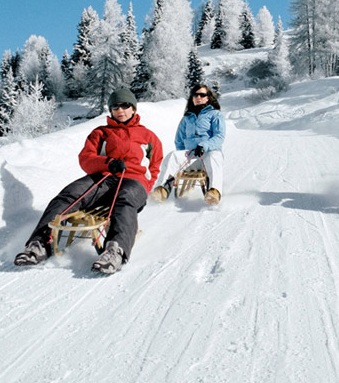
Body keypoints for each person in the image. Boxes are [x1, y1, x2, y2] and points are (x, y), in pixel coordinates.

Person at [14, 88, 163, 274]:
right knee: (69, 194)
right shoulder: (101, 133)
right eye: (116, 106)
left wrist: (146, 185)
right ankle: (39, 244)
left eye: (125, 105)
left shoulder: (148, 136)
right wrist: (107, 163)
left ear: (133, 108)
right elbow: (86, 158)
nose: (120, 110)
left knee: (125, 200)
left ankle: (115, 251)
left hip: (133, 180)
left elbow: (155, 165)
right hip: (104, 177)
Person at [152, 83, 225, 205]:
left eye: (202, 95)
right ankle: (162, 189)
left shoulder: (215, 115)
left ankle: (214, 191)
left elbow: (219, 136)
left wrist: (204, 146)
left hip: (208, 154)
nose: (198, 97)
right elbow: (179, 140)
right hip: (191, 156)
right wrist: (183, 156)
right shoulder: (187, 118)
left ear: (208, 98)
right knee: (173, 155)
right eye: (195, 95)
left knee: (214, 156)